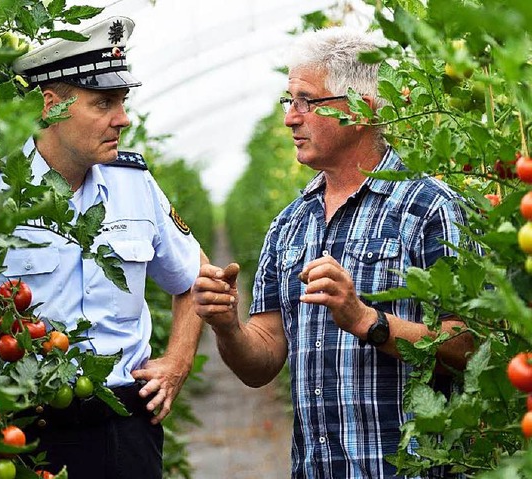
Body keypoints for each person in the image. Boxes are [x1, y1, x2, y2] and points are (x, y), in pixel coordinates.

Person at [191, 27, 474, 478]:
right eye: (288, 101)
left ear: (360, 109)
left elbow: (469, 344)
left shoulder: (428, 207)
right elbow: (261, 362)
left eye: (306, 100)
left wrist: (368, 321)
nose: (290, 118)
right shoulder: (290, 224)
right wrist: (227, 327)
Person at [0, 16, 207, 478]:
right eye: (104, 103)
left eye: (123, 101)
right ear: (49, 107)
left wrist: (176, 363)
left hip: (124, 429)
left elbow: (197, 278)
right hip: (21, 427)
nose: (123, 118)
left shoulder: (135, 184)